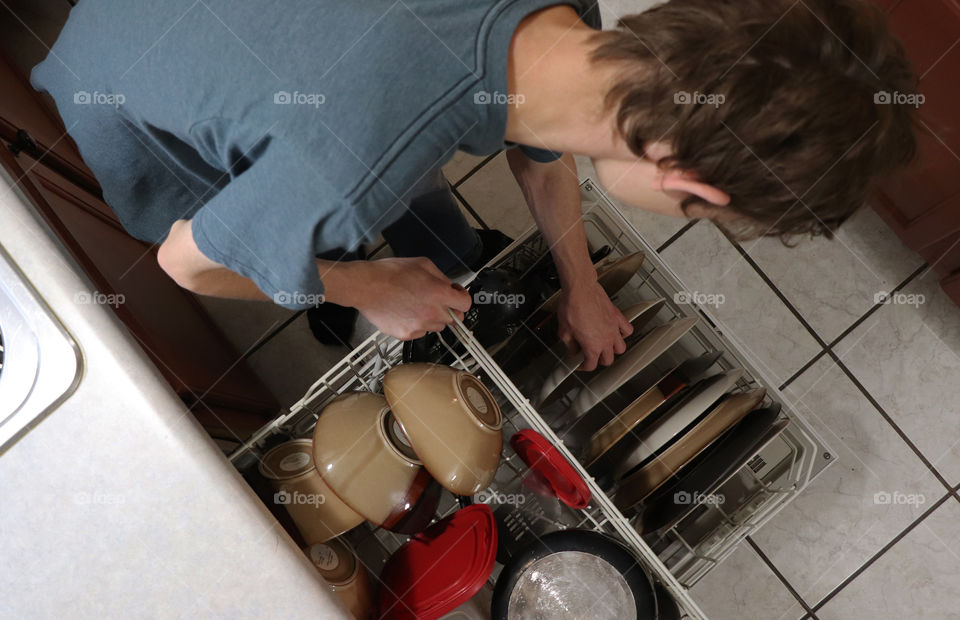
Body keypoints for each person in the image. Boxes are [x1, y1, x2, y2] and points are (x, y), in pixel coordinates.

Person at [30, 0, 918, 372]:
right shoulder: (342, 170)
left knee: (390, 157)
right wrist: (365, 285)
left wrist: (579, 282)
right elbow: (189, 265)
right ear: (692, 185)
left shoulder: (582, 37)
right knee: (300, 215)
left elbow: (540, 136)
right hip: (121, 70)